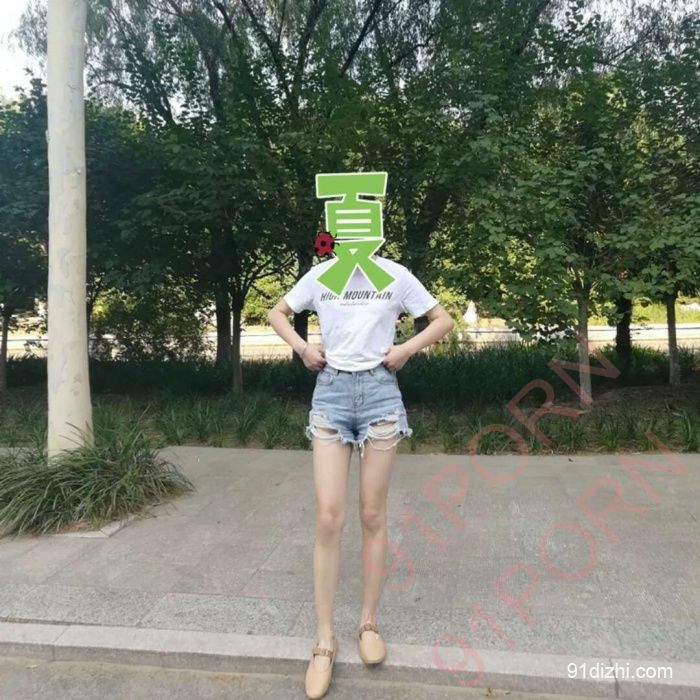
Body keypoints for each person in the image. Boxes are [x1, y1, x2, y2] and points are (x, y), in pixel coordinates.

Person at [267, 251, 454, 699]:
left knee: (372, 514)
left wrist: (405, 350)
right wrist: (304, 349)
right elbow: (277, 312)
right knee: (328, 516)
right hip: (331, 393)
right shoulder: (323, 274)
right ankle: (324, 640)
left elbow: (442, 319)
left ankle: (368, 622)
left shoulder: (393, 274)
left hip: (380, 394)